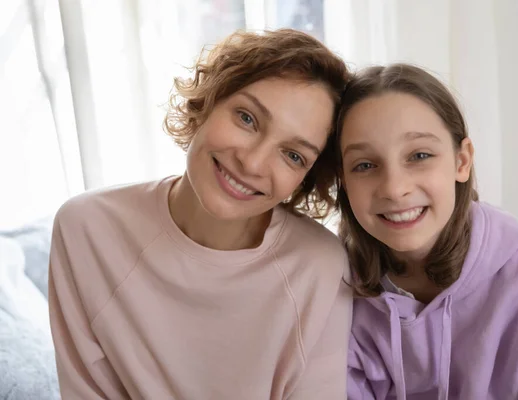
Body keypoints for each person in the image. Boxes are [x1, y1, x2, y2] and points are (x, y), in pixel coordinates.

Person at [48, 29, 353, 399]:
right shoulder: (86, 228)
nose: (252, 162)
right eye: (247, 118)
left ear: (306, 178)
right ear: (209, 100)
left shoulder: (319, 266)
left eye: (293, 155)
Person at [336, 64, 518, 399]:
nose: (394, 188)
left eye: (419, 155)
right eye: (365, 165)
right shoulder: (330, 289)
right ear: (342, 182)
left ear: (462, 161)